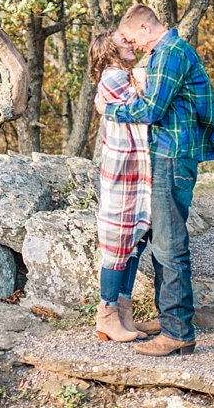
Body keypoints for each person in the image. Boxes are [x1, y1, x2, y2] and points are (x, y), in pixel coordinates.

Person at [94, 4, 214, 357]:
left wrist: (109, 110)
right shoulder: (167, 53)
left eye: (135, 38)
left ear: (146, 28)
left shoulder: (171, 53)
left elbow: (150, 110)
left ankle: (178, 331)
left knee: (169, 245)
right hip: (167, 155)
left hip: (172, 156)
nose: (136, 46)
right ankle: (170, 322)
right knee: (163, 240)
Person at [88, 31, 151, 343]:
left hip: (135, 172)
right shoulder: (112, 76)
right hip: (122, 173)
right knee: (116, 244)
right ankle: (107, 316)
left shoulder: (121, 76)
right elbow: (145, 105)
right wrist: (142, 74)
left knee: (135, 240)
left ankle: (124, 313)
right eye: (123, 42)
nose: (130, 44)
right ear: (109, 50)